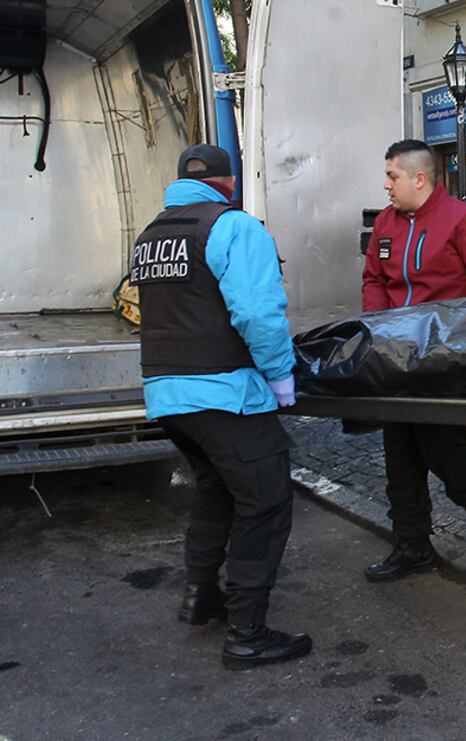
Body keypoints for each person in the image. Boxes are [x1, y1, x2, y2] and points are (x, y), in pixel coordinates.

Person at [129, 143, 311, 672]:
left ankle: (201, 596)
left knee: (215, 490)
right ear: (229, 183)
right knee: (267, 500)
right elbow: (258, 313)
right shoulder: (232, 227)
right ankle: (247, 633)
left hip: (168, 395)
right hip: (225, 393)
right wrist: (281, 379)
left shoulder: (151, 235)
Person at [361, 139, 466, 580]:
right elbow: (374, 277)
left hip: (447, 357)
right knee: (399, 450)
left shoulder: (464, 221)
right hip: (396, 357)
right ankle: (412, 542)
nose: (386, 184)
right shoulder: (386, 225)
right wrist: (378, 327)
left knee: (441, 445)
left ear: (420, 178)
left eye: (392, 176)